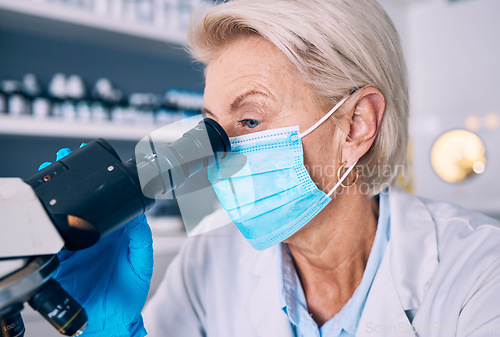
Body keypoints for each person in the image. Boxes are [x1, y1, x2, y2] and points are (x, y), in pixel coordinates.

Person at [50, 0, 500, 336]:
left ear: (357, 125)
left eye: (249, 120)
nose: (216, 152)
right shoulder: (210, 259)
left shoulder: (479, 274)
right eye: (210, 128)